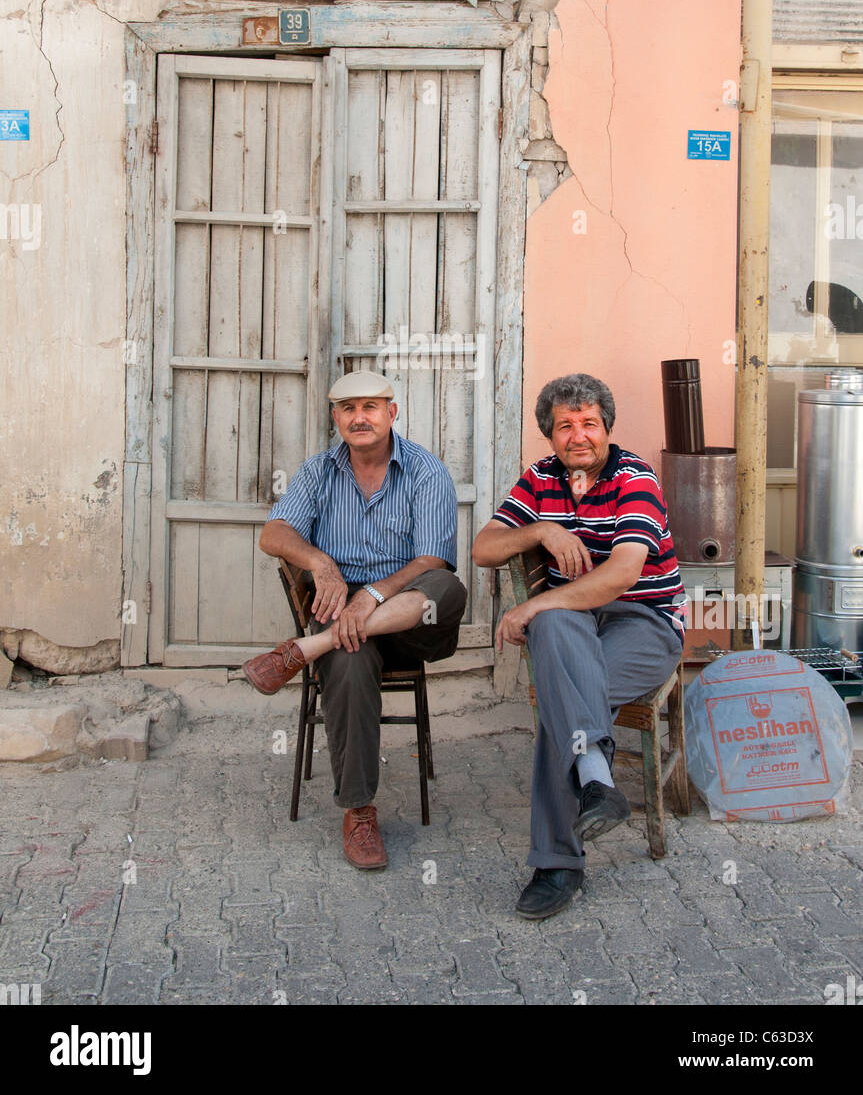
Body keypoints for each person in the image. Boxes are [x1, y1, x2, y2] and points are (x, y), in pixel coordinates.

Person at [472, 373, 685, 920]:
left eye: (589, 422)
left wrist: (533, 604)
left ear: (606, 428)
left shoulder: (634, 477)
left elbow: (622, 575)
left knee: (559, 694)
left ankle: (557, 863)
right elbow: (484, 548)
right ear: (550, 436)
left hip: (645, 623)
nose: (578, 435)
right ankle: (596, 784)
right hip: (577, 623)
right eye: (565, 426)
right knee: (556, 637)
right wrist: (541, 530)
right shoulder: (540, 480)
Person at [243, 371, 466, 870]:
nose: (359, 417)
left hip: (410, 623)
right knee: (346, 658)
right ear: (335, 418)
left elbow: (432, 561)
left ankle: (305, 651)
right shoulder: (319, 472)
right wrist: (322, 564)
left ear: (393, 412)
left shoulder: (426, 473)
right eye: (347, 408)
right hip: (348, 630)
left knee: (448, 589)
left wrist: (370, 596)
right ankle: (359, 811)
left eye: (370, 406)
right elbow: (273, 533)